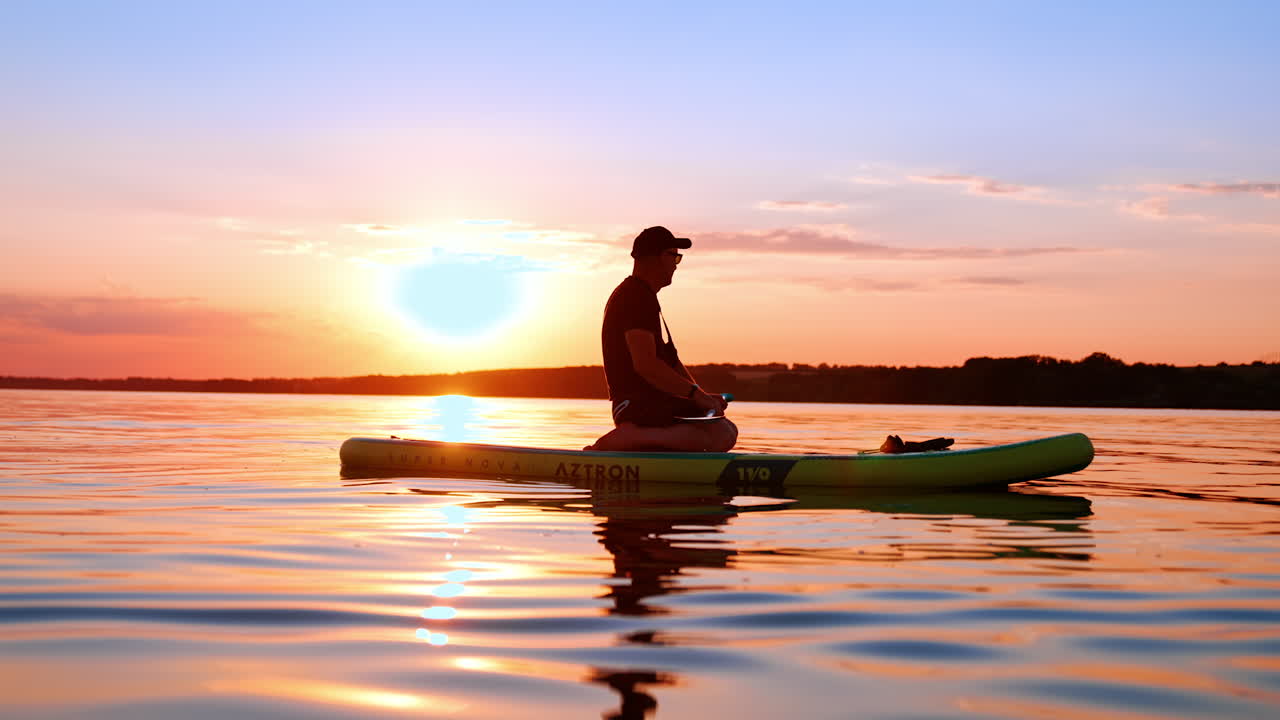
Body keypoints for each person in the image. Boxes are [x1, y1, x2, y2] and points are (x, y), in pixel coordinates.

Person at [587, 226, 738, 452]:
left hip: (653, 402)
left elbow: (672, 363)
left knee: (723, 429)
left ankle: (644, 443)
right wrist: (696, 396)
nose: (676, 265)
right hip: (636, 405)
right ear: (656, 257)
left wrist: (703, 396)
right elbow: (646, 365)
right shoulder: (634, 296)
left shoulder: (644, 297)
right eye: (674, 256)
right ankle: (627, 438)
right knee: (721, 433)